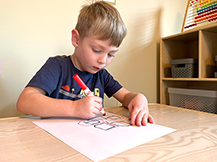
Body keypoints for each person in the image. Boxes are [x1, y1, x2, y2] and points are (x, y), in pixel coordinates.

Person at [17, 1, 154, 126]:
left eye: (111, 54)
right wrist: (74, 108)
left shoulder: (101, 75)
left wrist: (139, 98)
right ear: (76, 39)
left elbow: (125, 97)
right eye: (97, 50)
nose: (103, 61)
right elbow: (24, 102)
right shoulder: (57, 66)